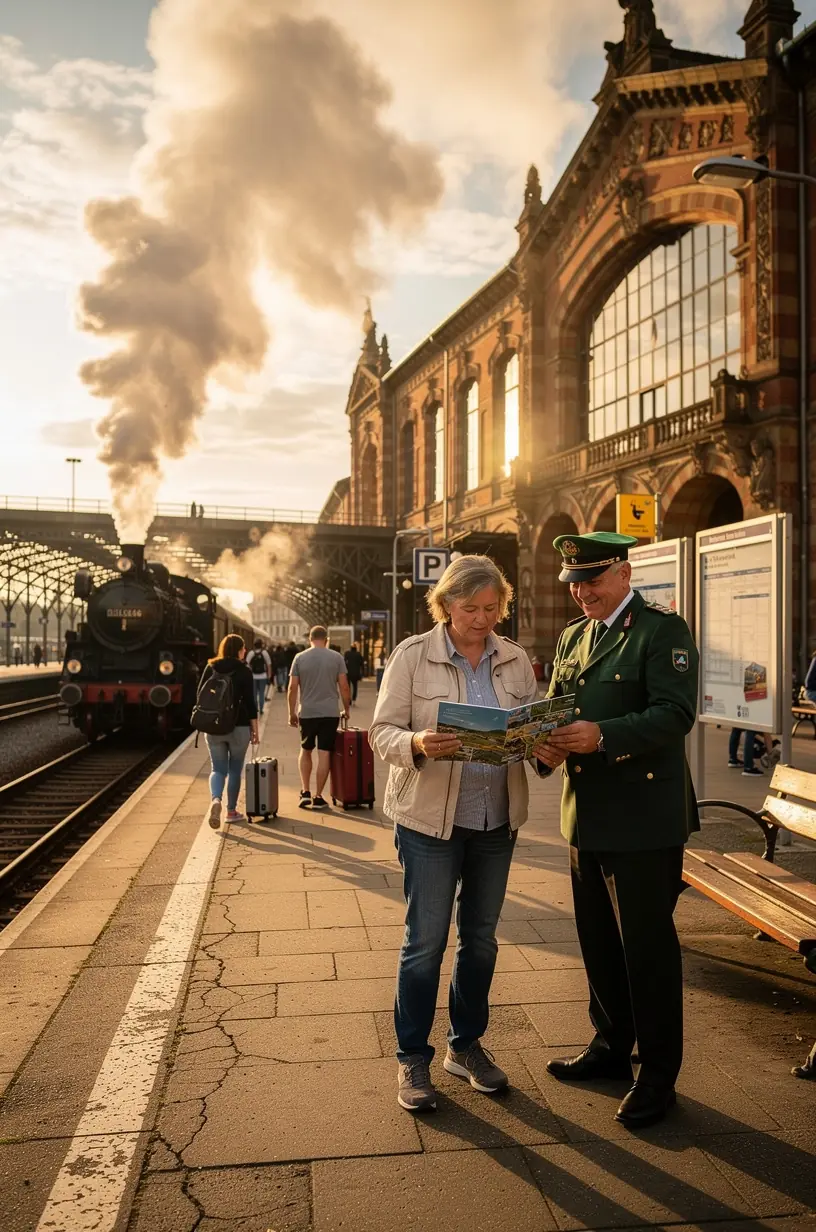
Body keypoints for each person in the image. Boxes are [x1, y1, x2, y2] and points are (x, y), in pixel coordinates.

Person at [370, 554, 549, 1114]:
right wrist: (417, 744)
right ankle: (412, 1058)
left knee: (482, 940)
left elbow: (530, 729)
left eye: (492, 608)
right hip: (429, 821)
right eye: (469, 608)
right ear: (445, 605)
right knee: (424, 943)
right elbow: (380, 732)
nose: (481, 619)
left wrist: (543, 747)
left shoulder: (516, 659)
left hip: (496, 820)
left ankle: (465, 1045)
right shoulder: (412, 655)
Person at [536, 532, 699, 1131]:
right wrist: (541, 745)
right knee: (599, 939)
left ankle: (657, 1075)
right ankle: (610, 1047)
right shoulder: (574, 637)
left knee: (647, 949)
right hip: (587, 815)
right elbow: (556, 705)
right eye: (574, 583)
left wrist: (603, 735)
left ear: (625, 573)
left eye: (592, 580)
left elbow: (675, 713)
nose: (581, 593)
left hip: (644, 817)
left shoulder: (662, 630)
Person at [199, 633, 259, 828]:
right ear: (239, 650)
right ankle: (231, 811)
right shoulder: (244, 671)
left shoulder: (211, 667)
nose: (245, 652)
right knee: (234, 770)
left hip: (214, 726)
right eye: (243, 649)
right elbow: (251, 703)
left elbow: (199, 695)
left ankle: (215, 800)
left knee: (217, 769)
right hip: (239, 726)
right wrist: (255, 729)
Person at [288, 626, 350, 810]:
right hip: (330, 713)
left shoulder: (300, 658)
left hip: (307, 712)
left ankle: (305, 791)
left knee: (305, 749)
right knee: (324, 753)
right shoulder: (336, 658)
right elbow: (344, 687)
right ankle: (318, 796)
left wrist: (291, 712)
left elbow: (292, 688)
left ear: (310, 639)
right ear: (326, 639)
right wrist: (346, 709)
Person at [247, 638, 271, 715]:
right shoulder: (264, 653)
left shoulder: (251, 653)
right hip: (263, 676)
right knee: (261, 693)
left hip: (253, 677)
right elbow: (268, 665)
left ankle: (255, 709)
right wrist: (269, 675)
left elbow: (247, 665)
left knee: (254, 694)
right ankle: (261, 709)